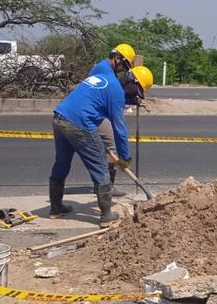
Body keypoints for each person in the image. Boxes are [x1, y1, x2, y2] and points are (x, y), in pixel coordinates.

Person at [49, 65, 153, 226]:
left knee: (61, 163)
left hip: (60, 117)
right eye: (136, 91)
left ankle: (55, 209)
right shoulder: (116, 92)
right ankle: (106, 216)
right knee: (100, 167)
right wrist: (125, 157)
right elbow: (119, 129)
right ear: (133, 82)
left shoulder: (107, 78)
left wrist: (131, 100)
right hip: (79, 123)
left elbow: (105, 97)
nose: (135, 94)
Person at [89, 43, 136, 197]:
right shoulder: (106, 71)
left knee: (108, 147)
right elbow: (119, 126)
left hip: (96, 109)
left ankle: (103, 185)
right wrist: (125, 156)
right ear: (117, 58)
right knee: (112, 145)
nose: (123, 69)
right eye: (124, 65)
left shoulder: (104, 67)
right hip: (95, 112)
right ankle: (106, 187)